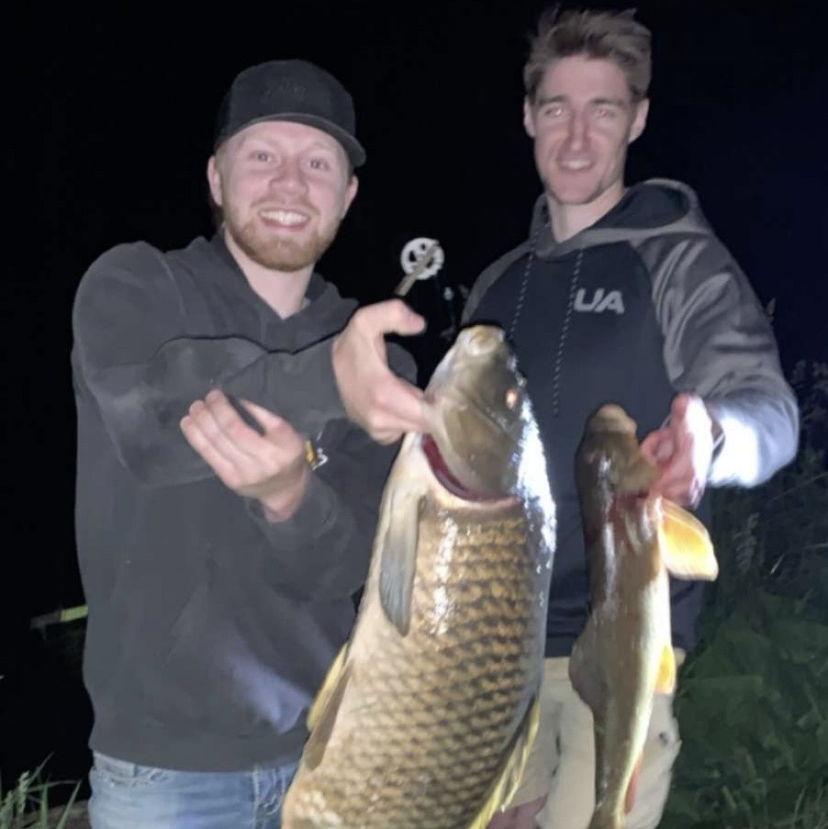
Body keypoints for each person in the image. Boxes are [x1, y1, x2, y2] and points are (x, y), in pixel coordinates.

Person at [462, 9, 800, 829]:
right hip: (494, 645)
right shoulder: (496, 286)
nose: (577, 138)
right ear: (528, 116)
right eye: (557, 109)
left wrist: (712, 440)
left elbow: (771, 413)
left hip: (623, 646)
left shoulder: (677, 257)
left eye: (604, 110)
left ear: (638, 119)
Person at [71, 58, 428, 828]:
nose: (290, 182)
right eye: (262, 155)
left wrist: (292, 498)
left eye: (318, 163)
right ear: (216, 176)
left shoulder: (380, 365)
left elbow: (347, 566)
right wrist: (328, 382)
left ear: (348, 194)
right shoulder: (133, 287)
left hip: (329, 762)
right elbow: (153, 424)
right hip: (163, 777)